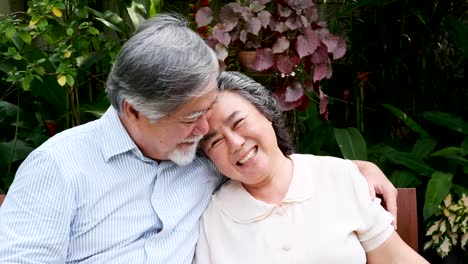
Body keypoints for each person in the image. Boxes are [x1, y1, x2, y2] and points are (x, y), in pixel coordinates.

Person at [0, 14, 396, 263]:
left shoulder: (200, 154)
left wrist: (354, 169)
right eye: (192, 117)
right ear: (134, 111)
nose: (206, 130)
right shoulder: (58, 168)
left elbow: (260, 156)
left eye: (208, 110)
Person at [194, 71, 429, 264]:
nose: (235, 144)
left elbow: (396, 259)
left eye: (239, 122)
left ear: (266, 113)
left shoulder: (338, 177)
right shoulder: (213, 219)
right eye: (215, 141)